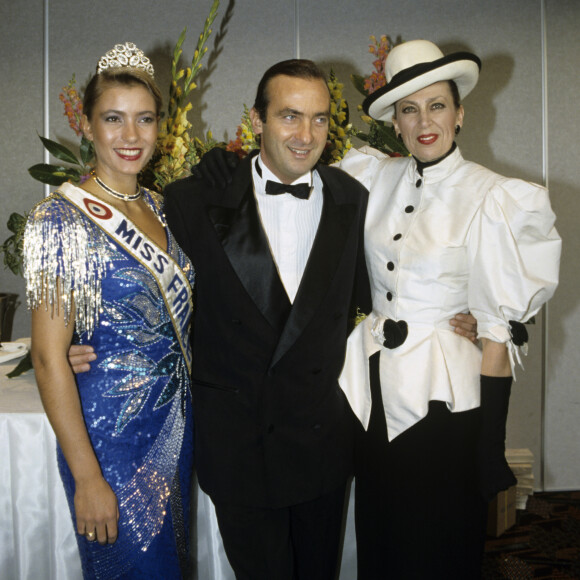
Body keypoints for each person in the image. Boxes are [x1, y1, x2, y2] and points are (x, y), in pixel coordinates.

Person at [336, 40, 561, 578]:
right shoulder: (370, 177)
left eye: (436, 105)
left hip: (444, 406)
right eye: (409, 110)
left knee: (437, 547)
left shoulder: (493, 197)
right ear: (395, 121)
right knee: (381, 541)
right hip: (371, 395)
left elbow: (497, 332)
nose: (424, 121)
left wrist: (491, 446)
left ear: (460, 113)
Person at [24, 43, 195, 579]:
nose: (131, 136)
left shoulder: (166, 209)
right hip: (108, 441)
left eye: (144, 120)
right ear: (88, 126)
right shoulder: (59, 219)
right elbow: (50, 358)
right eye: (113, 119)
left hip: (174, 429)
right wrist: (87, 477)